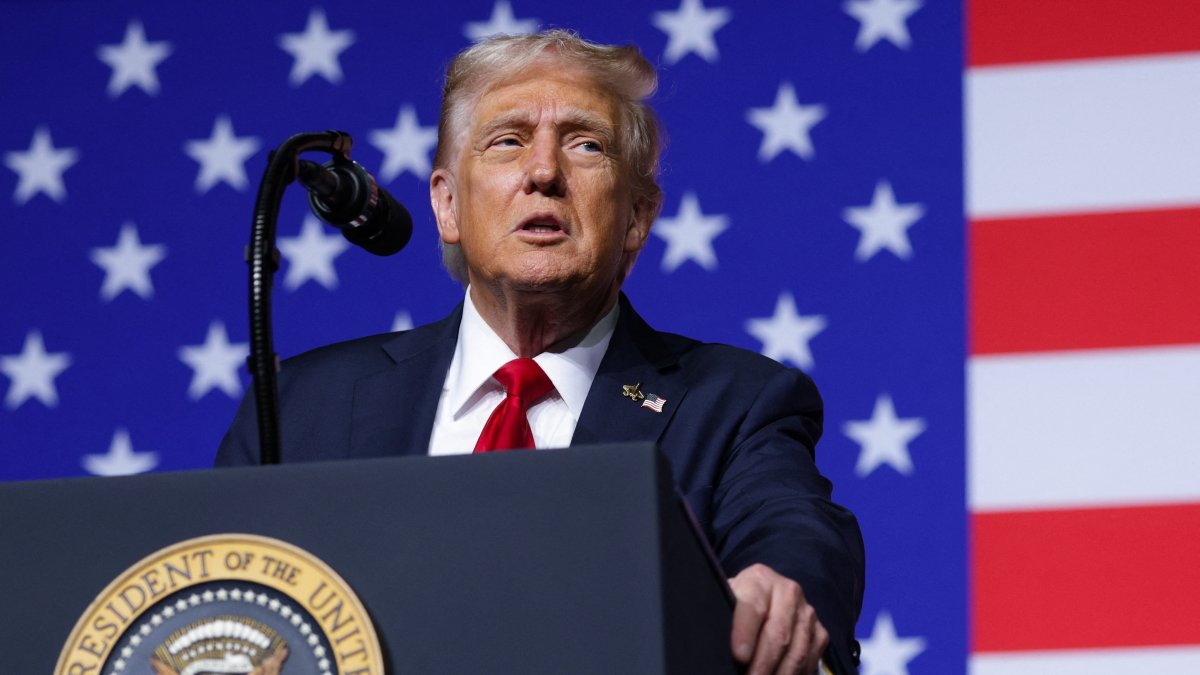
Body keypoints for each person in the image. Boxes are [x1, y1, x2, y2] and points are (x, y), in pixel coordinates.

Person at [217, 30, 864, 674]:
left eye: (586, 144)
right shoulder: (304, 406)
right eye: (508, 140)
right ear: (447, 205)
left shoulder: (735, 403)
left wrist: (782, 588)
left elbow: (795, 532)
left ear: (637, 216)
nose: (545, 172)